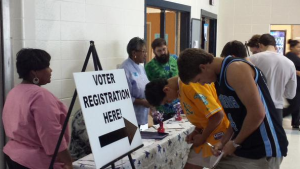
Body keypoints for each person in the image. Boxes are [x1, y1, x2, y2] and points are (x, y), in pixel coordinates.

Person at [177, 48, 288, 169]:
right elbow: (235, 117)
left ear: (203, 67)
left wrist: (235, 143)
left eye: (199, 80)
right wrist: (223, 142)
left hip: (263, 147)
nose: (203, 84)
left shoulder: (234, 69)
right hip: (246, 145)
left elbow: (257, 114)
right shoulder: (218, 79)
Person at [2, 49, 73, 169]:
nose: (51, 70)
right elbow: (52, 135)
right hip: (35, 162)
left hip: (12, 156)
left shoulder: (14, 92)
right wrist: (68, 162)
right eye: (47, 67)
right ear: (34, 72)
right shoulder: (40, 96)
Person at [145, 77, 229, 169]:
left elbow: (217, 115)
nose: (170, 102)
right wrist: (197, 131)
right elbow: (202, 114)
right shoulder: (181, 89)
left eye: (167, 101)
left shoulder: (189, 86)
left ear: (166, 89)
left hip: (218, 134)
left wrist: (202, 137)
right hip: (208, 133)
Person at [249, 34, 297, 125]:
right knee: (275, 137)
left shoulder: (252, 59)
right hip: (277, 108)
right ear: (274, 46)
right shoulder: (290, 63)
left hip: (256, 106)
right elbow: (290, 94)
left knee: (255, 137)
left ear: (261, 45)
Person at [119, 37, 152, 127]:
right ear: (134, 53)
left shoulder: (141, 67)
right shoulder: (124, 69)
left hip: (142, 114)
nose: (146, 54)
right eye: (143, 51)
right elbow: (123, 96)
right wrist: (142, 102)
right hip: (130, 116)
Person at [145, 38, 179, 122]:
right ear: (154, 52)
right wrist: (152, 109)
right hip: (161, 109)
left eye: (164, 49)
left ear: (167, 47)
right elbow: (149, 88)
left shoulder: (176, 59)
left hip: (178, 105)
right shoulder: (150, 67)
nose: (162, 52)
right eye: (159, 51)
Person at [283, 39, 300, 129]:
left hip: (297, 85)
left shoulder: (294, 56)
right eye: (298, 47)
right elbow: (290, 70)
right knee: (295, 105)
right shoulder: (290, 56)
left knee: (297, 105)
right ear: (292, 47)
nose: (299, 49)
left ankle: (296, 123)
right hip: (293, 85)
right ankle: (277, 116)